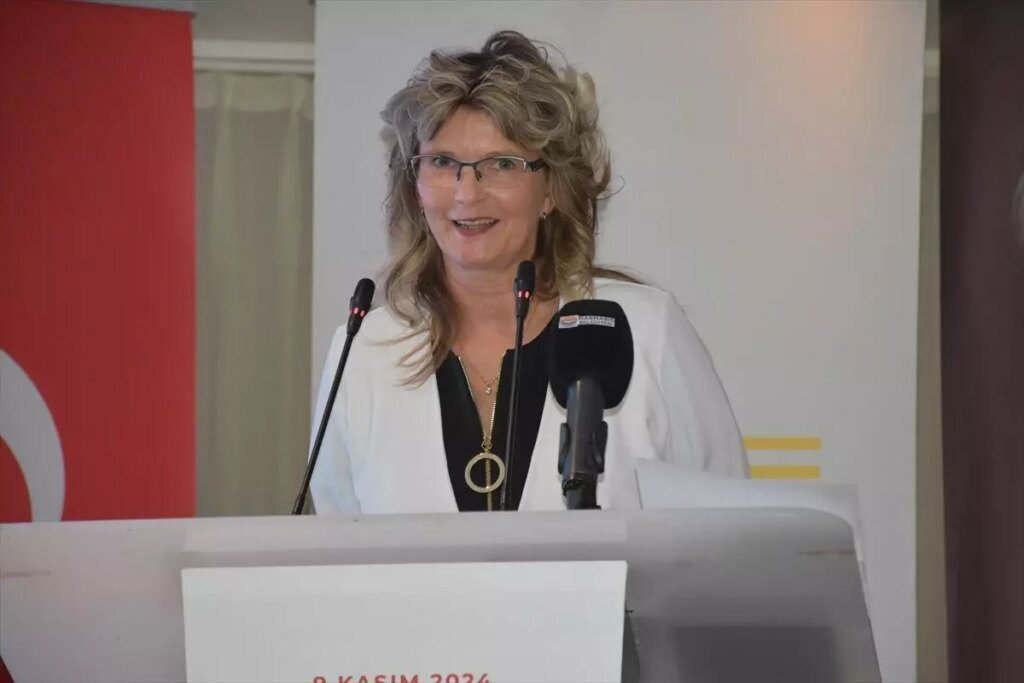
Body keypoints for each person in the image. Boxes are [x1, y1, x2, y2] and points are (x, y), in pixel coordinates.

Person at [311, 31, 747, 515]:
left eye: (502, 163)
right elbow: (340, 541)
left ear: (552, 189)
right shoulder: (366, 351)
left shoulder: (644, 330)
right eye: (443, 162)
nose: (467, 194)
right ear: (415, 187)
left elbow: (728, 532)